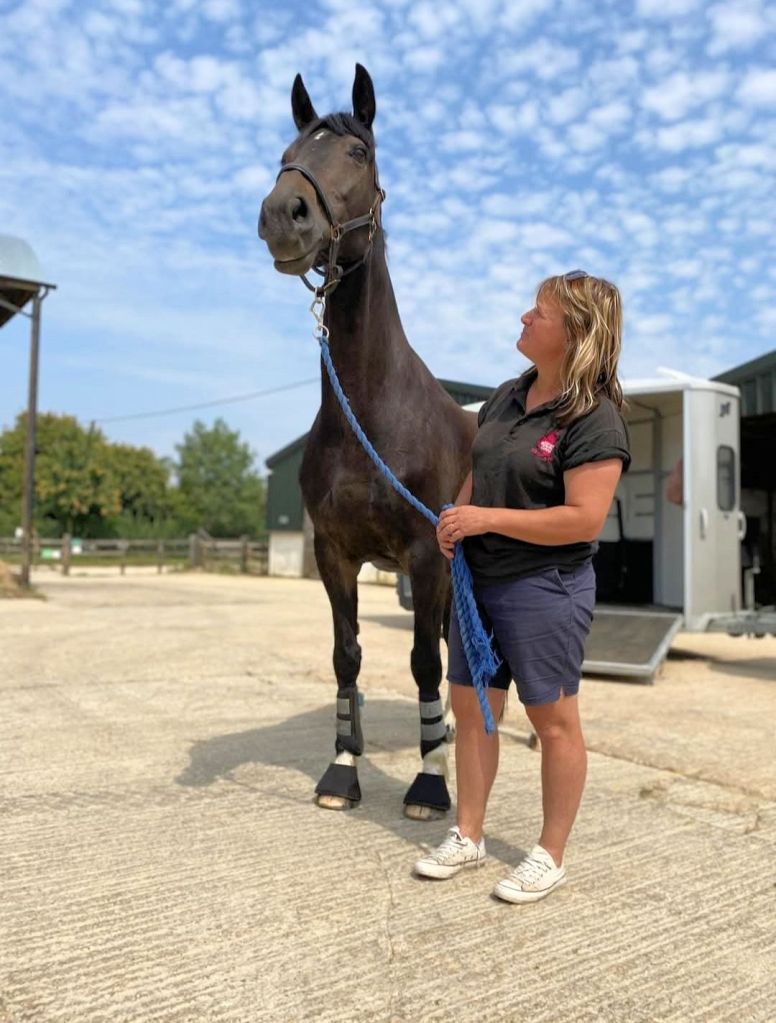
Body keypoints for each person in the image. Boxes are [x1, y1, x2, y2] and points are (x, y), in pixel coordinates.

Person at [414, 270, 630, 903]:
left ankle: (549, 854)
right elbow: (479, 469)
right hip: (478, 583)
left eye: (539, 312)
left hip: (544, 587)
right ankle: (468, 834)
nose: (524, 318)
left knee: (553, 721)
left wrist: (485, 520)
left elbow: (583, 519)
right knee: (471, 709)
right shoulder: (508, 395)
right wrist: (456, 518)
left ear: (575, 333)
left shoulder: (595, 419)